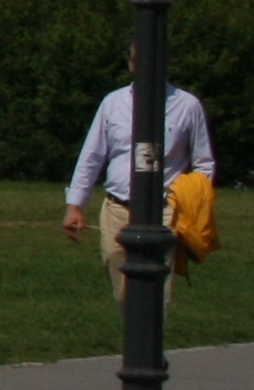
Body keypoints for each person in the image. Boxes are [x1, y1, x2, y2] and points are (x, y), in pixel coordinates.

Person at [62, 70, 215, 301]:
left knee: (156, 295)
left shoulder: (187, 105)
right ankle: (133, 325)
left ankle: (154, 325)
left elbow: (204, 163)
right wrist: (75, 205)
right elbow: (92, 156)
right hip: (117, 209)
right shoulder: (113, 102)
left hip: (164, 212)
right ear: (131, 64)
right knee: (123, 293)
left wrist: (193, 203)